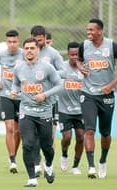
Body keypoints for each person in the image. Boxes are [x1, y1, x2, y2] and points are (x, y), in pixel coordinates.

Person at [11, 38, 61, 187]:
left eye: (32, 48)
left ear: (38, 50)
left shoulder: (47, 67)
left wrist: (45, 95)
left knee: (47, 147)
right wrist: (14, 91)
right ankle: (32, 178)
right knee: (27, 144)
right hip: (26, 111)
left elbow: (60, 85)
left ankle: (49, 166)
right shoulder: (18, 68)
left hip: (44, 112)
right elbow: (15, 83)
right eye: (26, 48)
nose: (29, 51)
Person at [78, 18, 117, 179]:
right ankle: (91, 166)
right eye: (87, 30)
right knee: (89, 130)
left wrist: (112, 84)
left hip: (107, 95)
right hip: (88, 94)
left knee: (105, 133)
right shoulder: (84, 46)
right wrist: (81, 68)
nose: (88, 33)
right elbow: (79, 61)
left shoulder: (111, 45)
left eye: (91, 30)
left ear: (100, 31)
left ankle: (102, 160)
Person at [30, 25, 65, 176]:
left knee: (48, 135)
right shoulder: (28, 52)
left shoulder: (53, 53)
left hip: (50, 99)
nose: (37, 42)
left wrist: (49, 73)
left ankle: (48, 163)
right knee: (33, 134)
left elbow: (64, 70)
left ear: (45, 38)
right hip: (31, 99)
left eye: (40, 40)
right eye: (35, 40)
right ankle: (37, 165)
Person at [0, 29, 23, 174]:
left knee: (19, 130)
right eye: (9, 42)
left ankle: (14, 154)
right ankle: (12, 160)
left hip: (22, 96)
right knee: (10, 128)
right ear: (6, 42)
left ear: (18, 41)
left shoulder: (24, 54)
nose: (12, 44)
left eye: (14, 42)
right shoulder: (0, 55)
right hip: (5, 95)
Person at [58, 42, 84, 175]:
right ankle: (64, 154)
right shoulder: (61, 66)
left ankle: (75, 166)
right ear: (68, 54)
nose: (74, 57)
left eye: (77, 54)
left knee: (80, 137)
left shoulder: (84, 67)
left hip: (81, 110)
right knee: (67, 137)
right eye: (72, 54)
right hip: (64, 109)